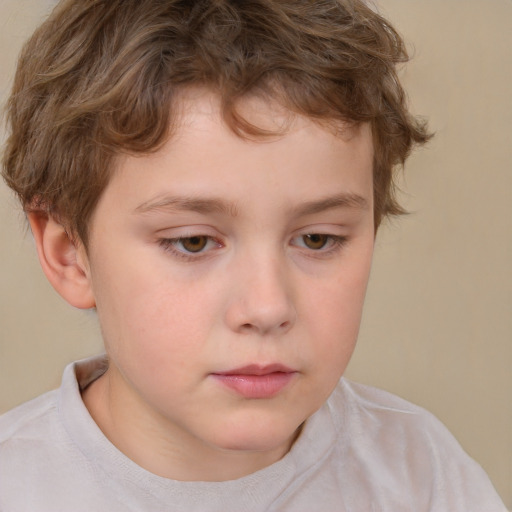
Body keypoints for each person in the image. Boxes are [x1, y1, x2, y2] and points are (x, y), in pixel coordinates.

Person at [0, 0, 507, 510]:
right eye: (193, 242)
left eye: (317, 239)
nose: (267, 308)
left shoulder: (423, 477)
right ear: (70, 254)